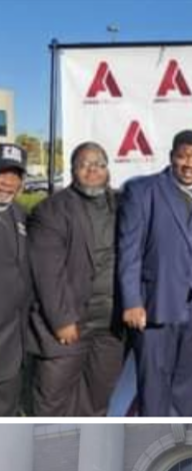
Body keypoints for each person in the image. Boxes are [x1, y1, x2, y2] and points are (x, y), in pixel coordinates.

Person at [117, 129, 192, 415]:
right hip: (156, 302)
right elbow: (129, 250)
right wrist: (132, 300)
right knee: (154, 383)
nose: (189, 164)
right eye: (183, 156)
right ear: (171, 157)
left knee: (191, 383)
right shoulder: (142, 190)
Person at [27, 141, 123, 416]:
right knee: (52, 402)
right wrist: (62, 320)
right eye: (84, 165)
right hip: (70, 327)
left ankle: (88, 452)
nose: (92, 170)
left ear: (108, 170)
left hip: (111, 327)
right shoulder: (52, 210)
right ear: (72, 170)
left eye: (99, 164)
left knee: (98, 400)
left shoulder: (122, 204)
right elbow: (47, 272)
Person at [0, 143, 31, 416]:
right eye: (2, 173)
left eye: (14, 175)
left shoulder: (20, 215)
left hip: (12, 347)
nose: (7, 182)